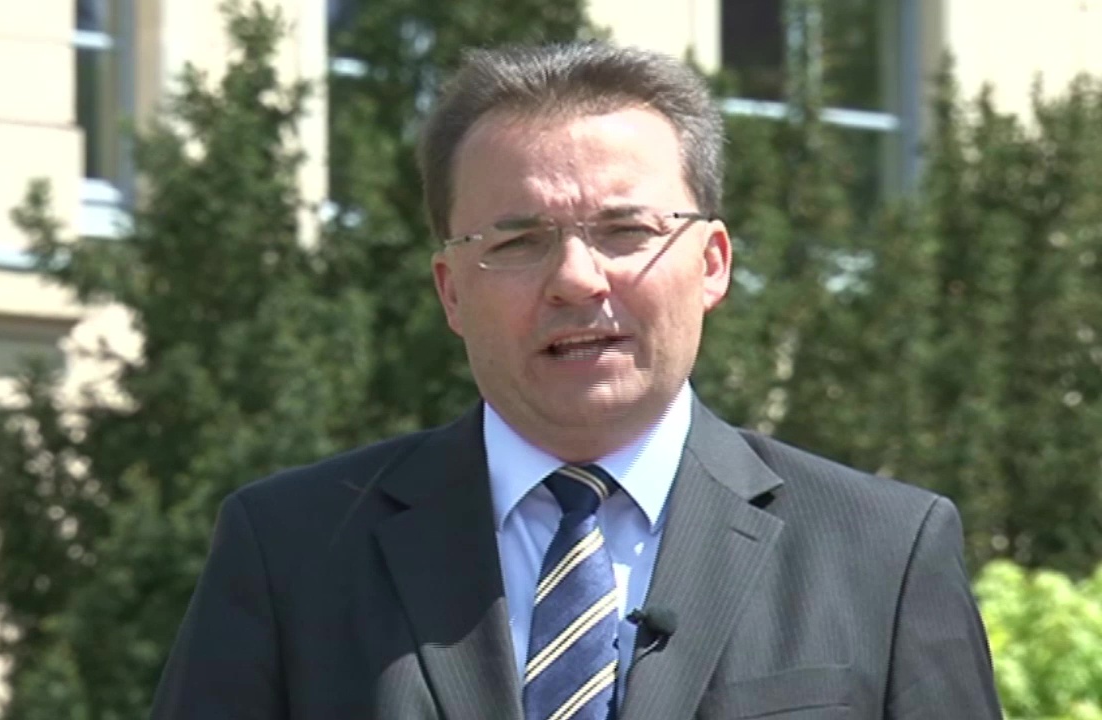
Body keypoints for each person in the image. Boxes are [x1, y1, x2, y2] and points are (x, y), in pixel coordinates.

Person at [150, 41, 1002, 720]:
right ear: (451, 291)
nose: (576, 279)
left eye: (626, 230)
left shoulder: (882, 551)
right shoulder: (292, 549)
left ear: (712, 264)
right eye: (518, 242)